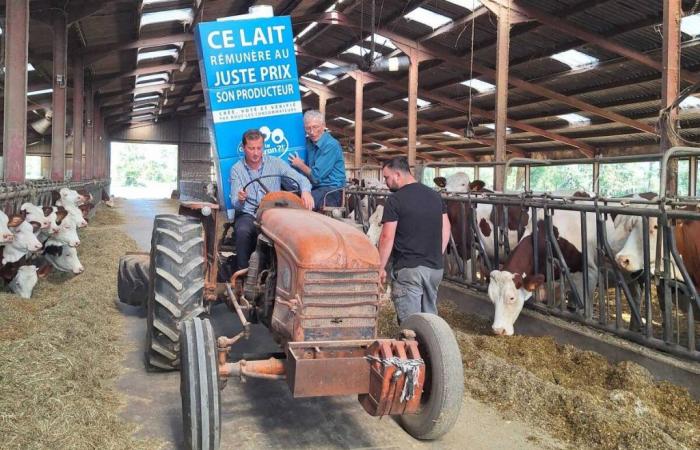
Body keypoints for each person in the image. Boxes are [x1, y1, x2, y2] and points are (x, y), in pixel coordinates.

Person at [377, 156, 451, 324]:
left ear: (397, 175)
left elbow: (387, 236)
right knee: (429, 322)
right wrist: (435, 255)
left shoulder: (395, 200)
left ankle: (414, 350)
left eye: (387, 178)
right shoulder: (435, 196)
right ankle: (429, 349)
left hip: (409, 270)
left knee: (411, 325)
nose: (386, 182)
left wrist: (380, 268)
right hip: (434, 270)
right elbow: (446, 228)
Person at [230, 129, 314, 270]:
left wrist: (305, 191)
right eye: (251, 148)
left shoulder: (276, 163)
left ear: (263, 147)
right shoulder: (236, 169)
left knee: (291, 233)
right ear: (244, 148)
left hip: (274, 214)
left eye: (259, 148)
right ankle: (242, 275)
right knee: (243, 231)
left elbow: (300, 179)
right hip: (249, 214)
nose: (256, 153)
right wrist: (240, 198)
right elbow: (236, 204)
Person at [289, 110, 346, 210]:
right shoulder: (309, 143)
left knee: (297, 205)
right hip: (314, 188)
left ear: (323, 125)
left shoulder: (331, 145)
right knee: (286, 198)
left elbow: (316, 176)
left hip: (331, 191)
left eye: (315, 127)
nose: (311, 132)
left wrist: (300, 165)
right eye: (308, 128)